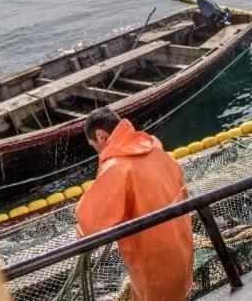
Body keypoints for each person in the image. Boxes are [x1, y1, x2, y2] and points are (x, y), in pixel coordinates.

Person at [75, 107, 194, 301]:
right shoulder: (154, 144)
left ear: (101, 136)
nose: (95, 150)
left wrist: (79, 233)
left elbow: (90, 225)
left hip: (153, 260)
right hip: (181, 244)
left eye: (93, 144)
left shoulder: (116, 168)